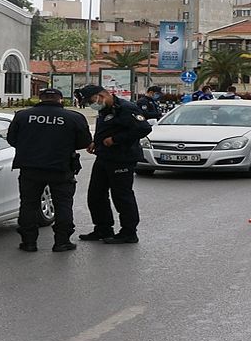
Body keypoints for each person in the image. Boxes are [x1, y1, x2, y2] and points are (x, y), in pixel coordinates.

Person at [8, 88, 92, 253]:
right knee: (63, 205)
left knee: (28, 205)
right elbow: (84, 142)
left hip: (30, 168)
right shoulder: (74, 117)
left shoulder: (23, 116)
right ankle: (62, 242)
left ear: (40, 99)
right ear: (60, 100)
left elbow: (12, 139)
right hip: (61, 168)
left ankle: (29, 242)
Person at [75, 84, 152, 245]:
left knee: (122, 195)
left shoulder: (126, 108)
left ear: (101, 95)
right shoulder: (105, 109)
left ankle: (129, 232)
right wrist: (95, 142)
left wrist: (116, 140)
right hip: (104, 156)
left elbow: (143, 128)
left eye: (91, 101)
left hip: (122, 157)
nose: (91, 105)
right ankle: (103, 228)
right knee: (96, 195)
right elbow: (106, 129)